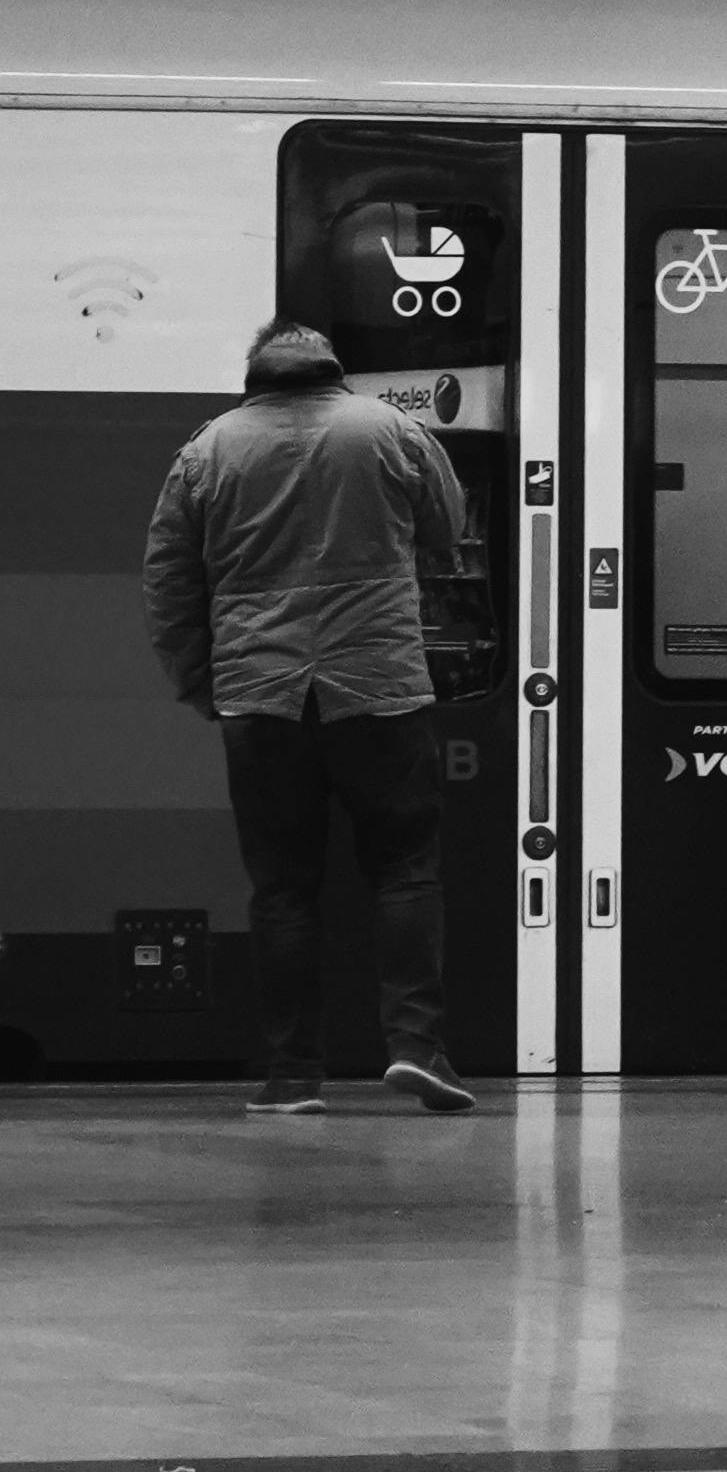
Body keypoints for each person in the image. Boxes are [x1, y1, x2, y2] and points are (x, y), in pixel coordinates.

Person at [143, 320, 478, 1123]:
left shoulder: (208, 450)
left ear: (255, 370)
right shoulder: (391, 429)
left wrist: (205, 682)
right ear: (333, 367)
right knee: (405, 870)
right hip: (380, 689)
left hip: (261, 697)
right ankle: (415, 1047)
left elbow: (169, 582)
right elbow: (447, 524)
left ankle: (293, 1075)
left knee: (284, 888)